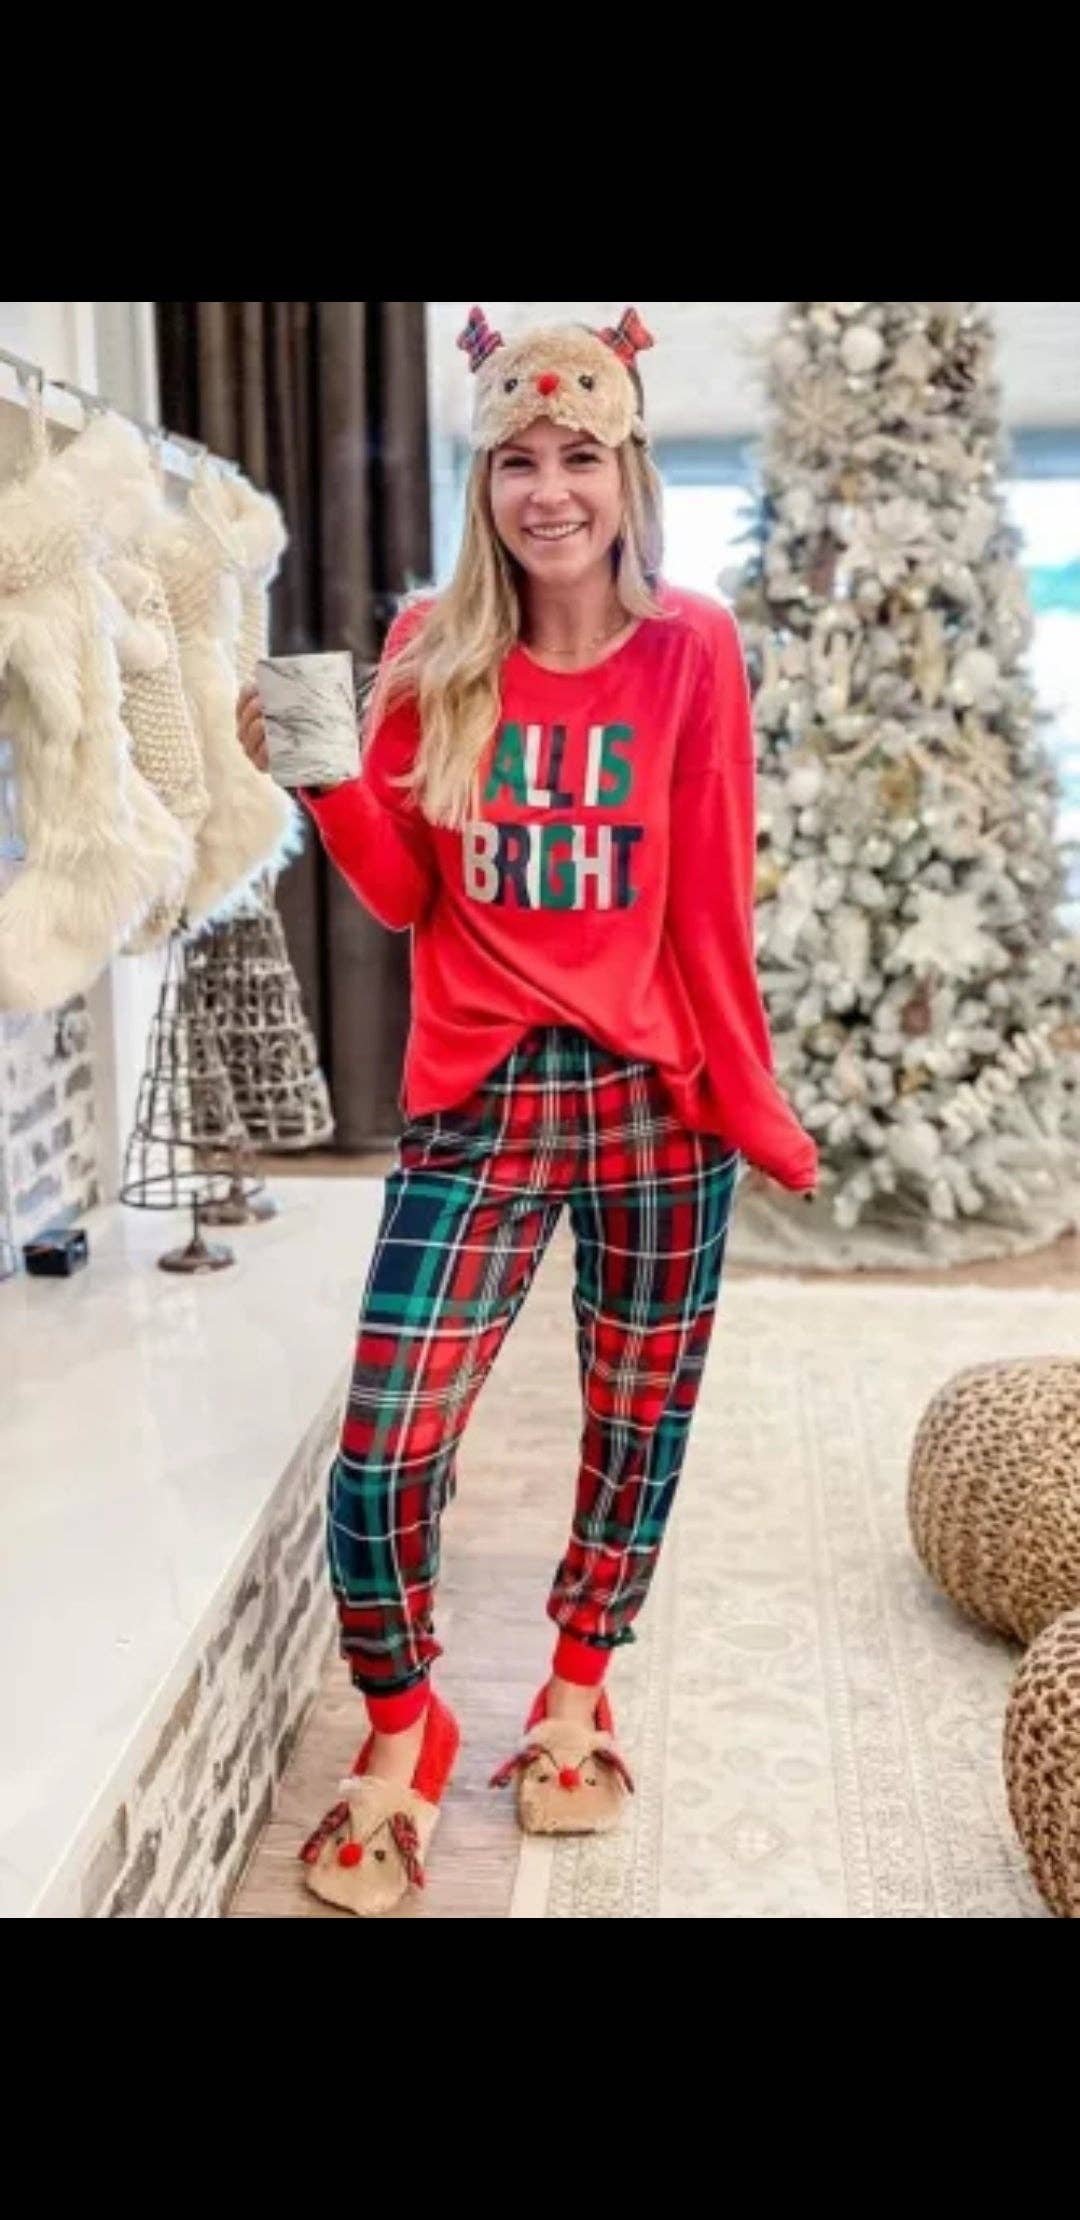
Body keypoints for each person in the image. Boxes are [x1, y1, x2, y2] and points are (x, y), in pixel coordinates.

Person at [236, 305, 818, 1917]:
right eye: (516, 460)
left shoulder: (692, 646)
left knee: (638, 1422)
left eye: (578, 455)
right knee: (382, 1456)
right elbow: (405, 895)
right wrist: (323, 777)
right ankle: (407, 1724)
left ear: (628, 471)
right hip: (479, 1100)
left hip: (653, 1098)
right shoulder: (434, 646)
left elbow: (708, 899)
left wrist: (747, 1097)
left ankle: (575, 1692)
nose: (547, 490)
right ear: (483, 479)